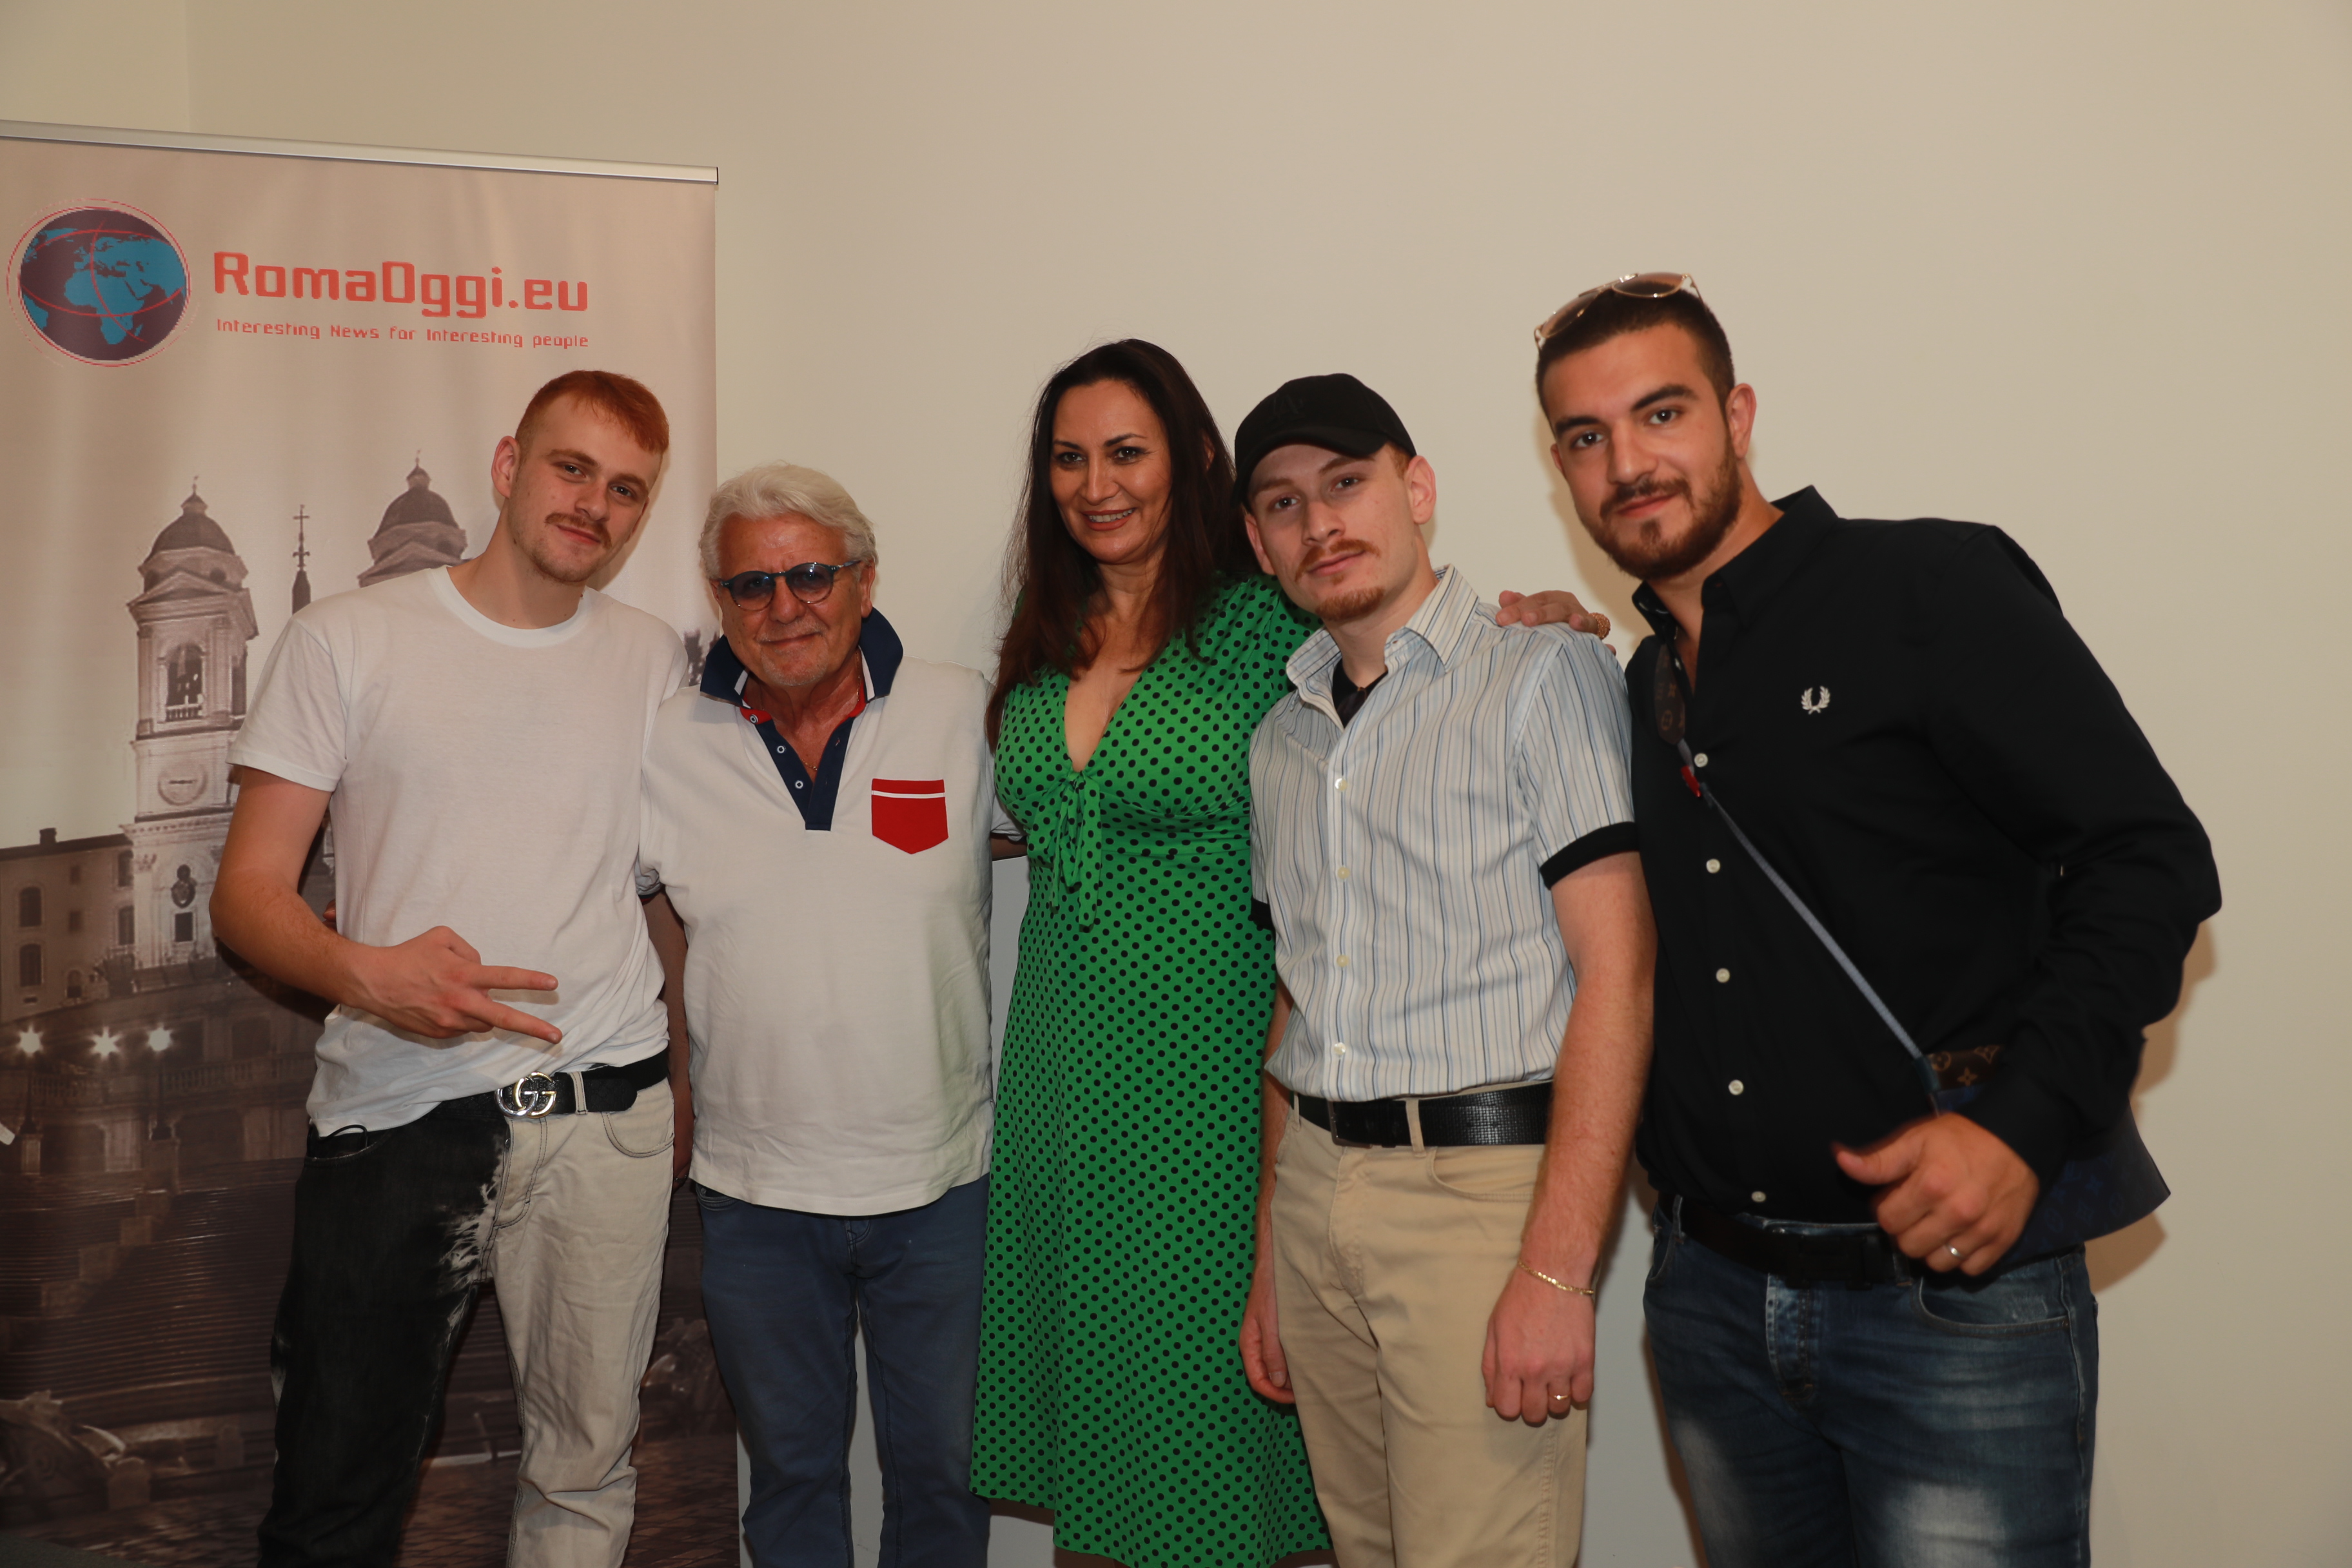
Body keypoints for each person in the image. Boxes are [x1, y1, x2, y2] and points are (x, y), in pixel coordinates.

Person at [1530, 275, 2220, 1567]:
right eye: (1585, 436)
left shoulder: (1927, 588)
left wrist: (2020, 1124)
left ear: (1738, 414)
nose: (1628, 463)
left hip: (1952, 1309)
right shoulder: (1632, 689)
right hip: (1712, 1306)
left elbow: (2147, 859)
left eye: (1662, 412)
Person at [971, 340, 1590, 1567]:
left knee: (1211, 1461)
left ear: (1195, 462)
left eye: (1127, 452)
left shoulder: (1270, 626)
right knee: (1096, 1456)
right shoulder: (1041, 636)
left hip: (1215, 1099)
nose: (1097, 484)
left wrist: (1551, 620)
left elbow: (1407, 674)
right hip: (1059, 1096)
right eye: (1070, 459)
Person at [212, 371, 687, 1568]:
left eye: (626, 489)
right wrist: (371, 977)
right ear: (508, 465)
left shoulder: (653, 661)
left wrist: (684, 1083)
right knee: (338, 1491)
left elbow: (664, 890)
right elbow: (247, 896)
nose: (594, 505)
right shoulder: (347, 637)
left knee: (587, 1474)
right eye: (571, 468)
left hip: (605, 1115)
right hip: (402, 1108)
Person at [1231, 374, 1652, 1567]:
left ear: (1416, 489)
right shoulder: (1281, 739)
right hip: (1317, 1194)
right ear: (1260, 544)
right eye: (1283, 504)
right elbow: (1298, 998)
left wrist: (1557, 1273)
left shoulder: (1541, 675)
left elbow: (1619, 973)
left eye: (1346, 483)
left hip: (1482, 1193)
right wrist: (1274, 1252)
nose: (1320, 523)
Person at [637, 463, 1016, 1567]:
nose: (784, 606)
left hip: (941, 1186)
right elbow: (650, 914)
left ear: (863, 580)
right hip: (755, 1195)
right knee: (792, 1487)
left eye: (811, 574)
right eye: (750, 585)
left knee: (944, 1484)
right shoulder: (666, 742)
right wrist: (676, 1078)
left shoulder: (964, 711)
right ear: (720, 601)